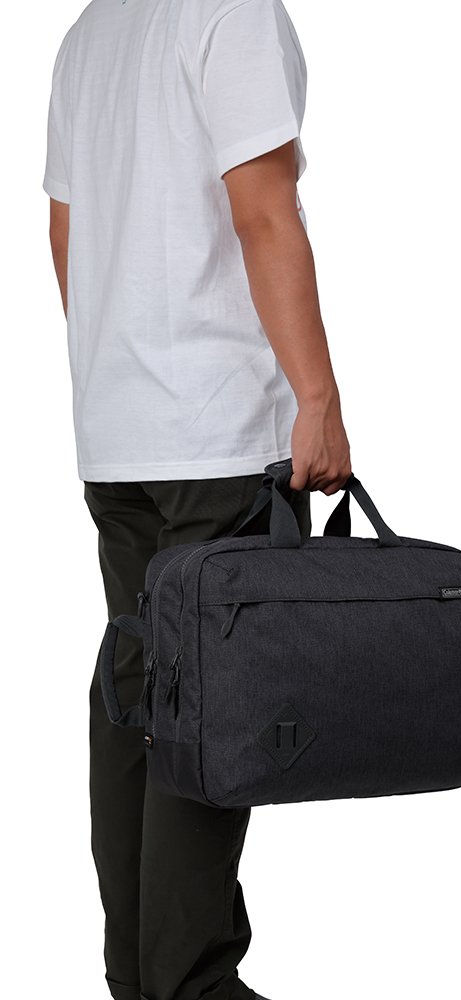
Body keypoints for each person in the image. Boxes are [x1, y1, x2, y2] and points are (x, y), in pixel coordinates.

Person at [43, 1, 351, 998]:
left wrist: (121, 375)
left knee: (140, 686)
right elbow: (262, 210)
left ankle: (139, 973)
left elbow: (65, 231)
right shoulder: (231, 11)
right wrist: (316, 398)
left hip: (119, 434)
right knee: (209, 698)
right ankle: (191, 981)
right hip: (217, 433)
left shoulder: (91, 33)